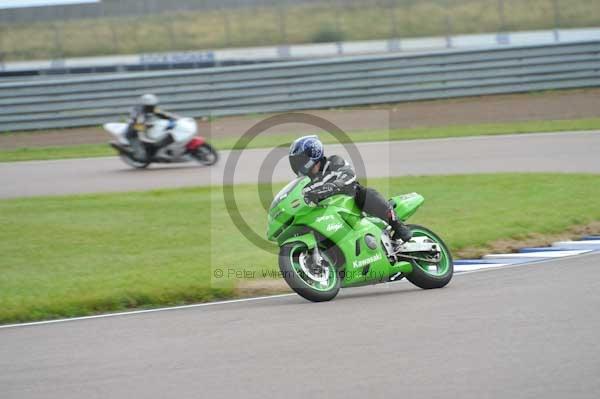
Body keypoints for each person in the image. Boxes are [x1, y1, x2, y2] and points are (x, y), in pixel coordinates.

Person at [289, 135, 413, 243]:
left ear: (313, 154)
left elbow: (349, 174)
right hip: (328, 212)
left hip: (351, 200)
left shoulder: (333, 162)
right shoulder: (305, 182)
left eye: (300, 160)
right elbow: (299, 195)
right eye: (296, 161)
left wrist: (335, 184)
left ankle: (397, 225)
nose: (298, 164)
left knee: (364, 193)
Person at [125, 94, 178, 161]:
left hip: (145, 127)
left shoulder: (151, 108)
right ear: (145, 105)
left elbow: (163, 114)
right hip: (133, 133)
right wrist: (150, 142)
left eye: (153, 105)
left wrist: (175, 118)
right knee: (141, 157)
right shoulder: (139, 114)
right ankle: (133, 154)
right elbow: (141, 135)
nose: (152, 108)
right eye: (150, 106)